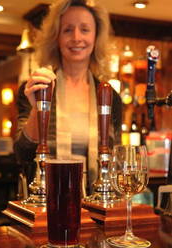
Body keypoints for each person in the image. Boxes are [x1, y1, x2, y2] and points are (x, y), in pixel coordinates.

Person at [14, 0, 122, 194]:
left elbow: (116, 159)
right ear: (56, 37)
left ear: (96, 37)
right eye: (67, 30)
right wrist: (37, 109)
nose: (76, 37)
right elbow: (23, 154)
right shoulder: (40, 87)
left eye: (85, 29)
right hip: (46, 201)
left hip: (96, 203)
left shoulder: (109, 95)